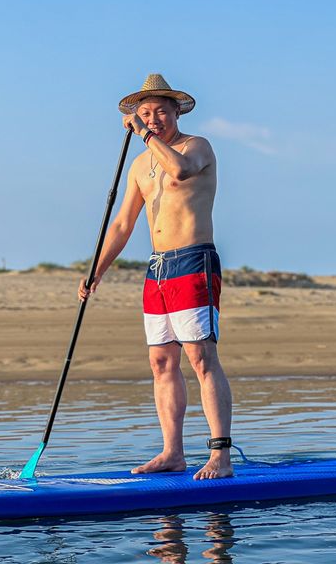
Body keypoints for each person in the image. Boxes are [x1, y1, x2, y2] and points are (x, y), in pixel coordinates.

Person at [78, 73, 233, 480]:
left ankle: (220, 454)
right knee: (161, 361)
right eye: (144, 113)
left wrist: (145, 135)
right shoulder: (140, 165)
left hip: (193, 261)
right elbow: (122, 225)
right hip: (157, 268)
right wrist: (96, 270)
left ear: (176, 111)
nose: (152, 118)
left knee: (200, 357)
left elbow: (180, 171)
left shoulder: (195, 146)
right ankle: (172, 453)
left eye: (159, 111)